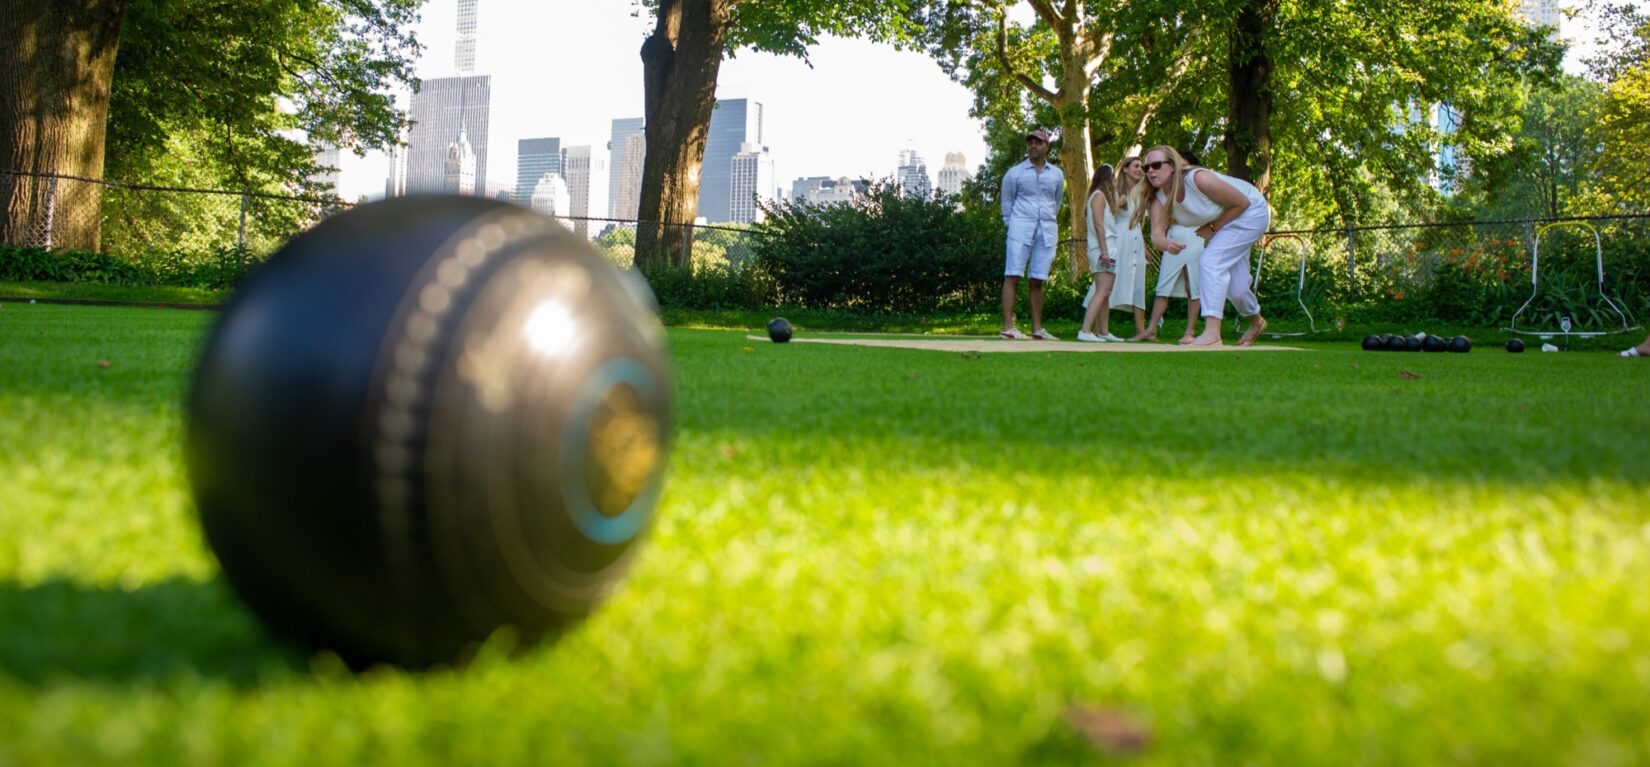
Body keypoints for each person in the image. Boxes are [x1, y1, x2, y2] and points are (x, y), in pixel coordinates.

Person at [1133, 145, 1269, 346]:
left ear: (1172, 166)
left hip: (1251, 212)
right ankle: (1256, 322)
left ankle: (1212, 333)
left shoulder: (1198, 179)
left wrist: (1213, 228)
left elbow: (1242, 203)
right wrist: (1167, 244)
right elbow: (1156, 236)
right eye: (1147, 168)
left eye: (1156, 165)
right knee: (1237, 289)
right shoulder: (1158, 198)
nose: (1150, 171)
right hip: (1226, 221)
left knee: (1210, 261)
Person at [999, 128, 1065, 340]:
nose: (1033, 146)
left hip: (1046, 230)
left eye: (1038, 142)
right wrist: (1013, 224)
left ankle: (1037, 329)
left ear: (1047, 146)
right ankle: (1008, 327)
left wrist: (1047, 220)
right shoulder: (1014, 173)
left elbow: (1056, 202)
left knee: (1037, 279)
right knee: (1013, 275)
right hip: (1020, 227)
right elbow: (1007, 203)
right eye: (1030, 142)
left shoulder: (1056, 174)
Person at [1077, 164, 1122, 342]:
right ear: (1108, 178)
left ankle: (1103, 331)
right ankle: (1085, 330)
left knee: (1105, 291)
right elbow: (1098, 224)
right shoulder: (1099, 196)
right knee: (1102, 291)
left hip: (1107, 247)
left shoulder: (1100, 196)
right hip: (1102, 249)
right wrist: (1104, 250)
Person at [1107, 155, 1150, 340]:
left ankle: (1141, 331)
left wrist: (1145, 250)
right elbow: (1103, 215)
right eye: (1136, 166)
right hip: (1119, 238)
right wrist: (1118, 203)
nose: (1139, 169)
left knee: (1138, 283)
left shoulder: (1141, 194)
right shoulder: (1115, 190)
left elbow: (1139, 222)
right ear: (1125, 168)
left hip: (1136, 239)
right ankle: (1098, 327)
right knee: (1110, 281)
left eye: (1142, 167)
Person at [1144, 220, 1204, 344]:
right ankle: (1151, 329)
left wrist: (1209, 231)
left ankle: (1190, 332)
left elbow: (1215, 221)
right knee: (1163, 287)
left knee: (1193, 287)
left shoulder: (1206, 202)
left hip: (1196, 238)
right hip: (1173, 237)